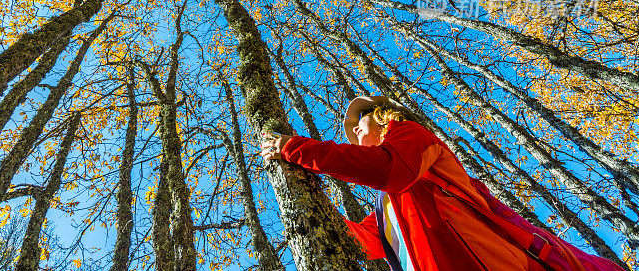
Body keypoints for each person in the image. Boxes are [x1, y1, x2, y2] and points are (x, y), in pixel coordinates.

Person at [260, 95, 626, 271]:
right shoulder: (387, 205)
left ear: (384, 116)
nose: (354, 130)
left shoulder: (414, 137)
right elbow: (365, 242)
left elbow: (390, 170)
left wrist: (296, 149)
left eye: (361, 120)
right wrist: (312, 210)